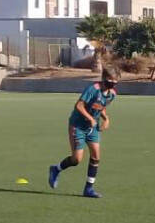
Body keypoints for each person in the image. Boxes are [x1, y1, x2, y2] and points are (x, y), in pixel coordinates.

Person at [48, 67, 118, 198]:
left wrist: (106, 118)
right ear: (103, 79)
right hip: (78, 125)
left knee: (96, 156)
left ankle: (88, 189)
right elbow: (79, 105)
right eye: (110, 80)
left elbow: (100, 106)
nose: (112, 84)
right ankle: (56, 169)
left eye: (115, 82)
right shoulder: (93, 89)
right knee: (76, 159)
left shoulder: (112, 94)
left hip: (92, 128)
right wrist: (91, 118)